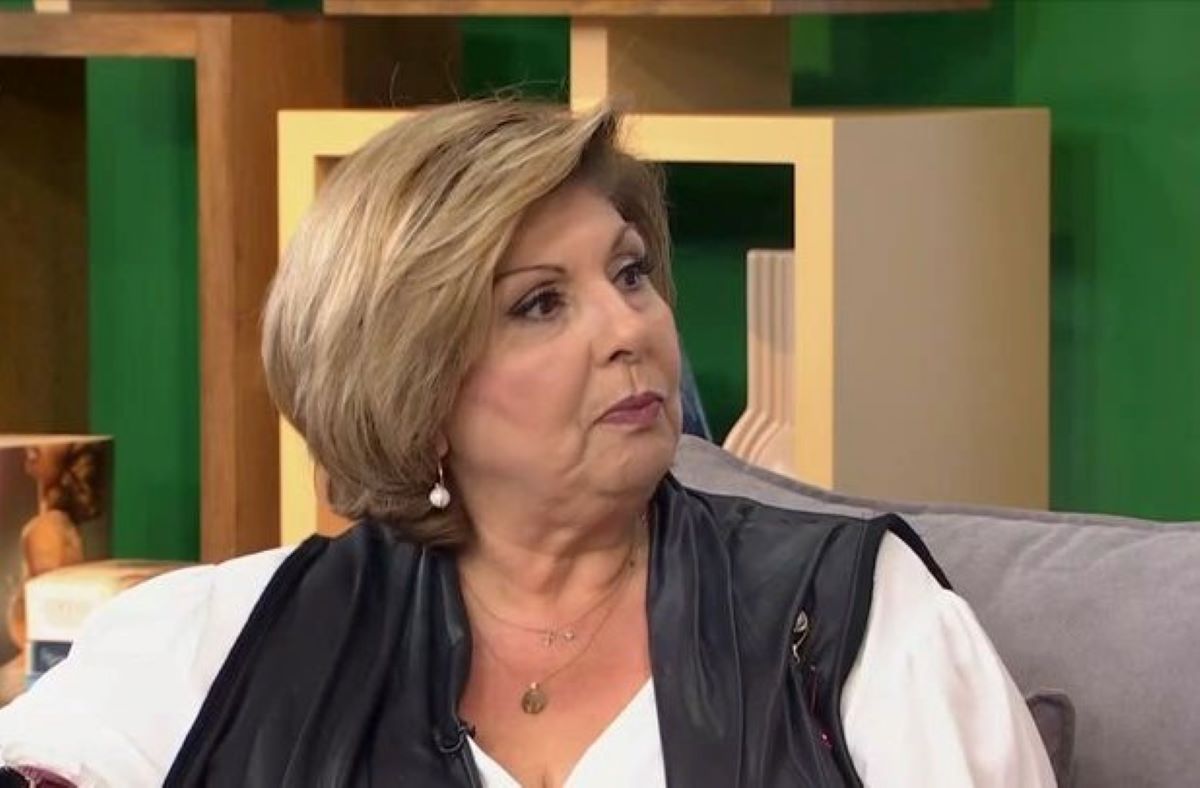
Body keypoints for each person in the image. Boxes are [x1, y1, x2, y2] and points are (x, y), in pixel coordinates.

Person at [0, 101, 1054, 787]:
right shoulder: (224, 641)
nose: (629, 327)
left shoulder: (856, 623)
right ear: (415, 389)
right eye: (541, 304)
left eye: (629, 272)